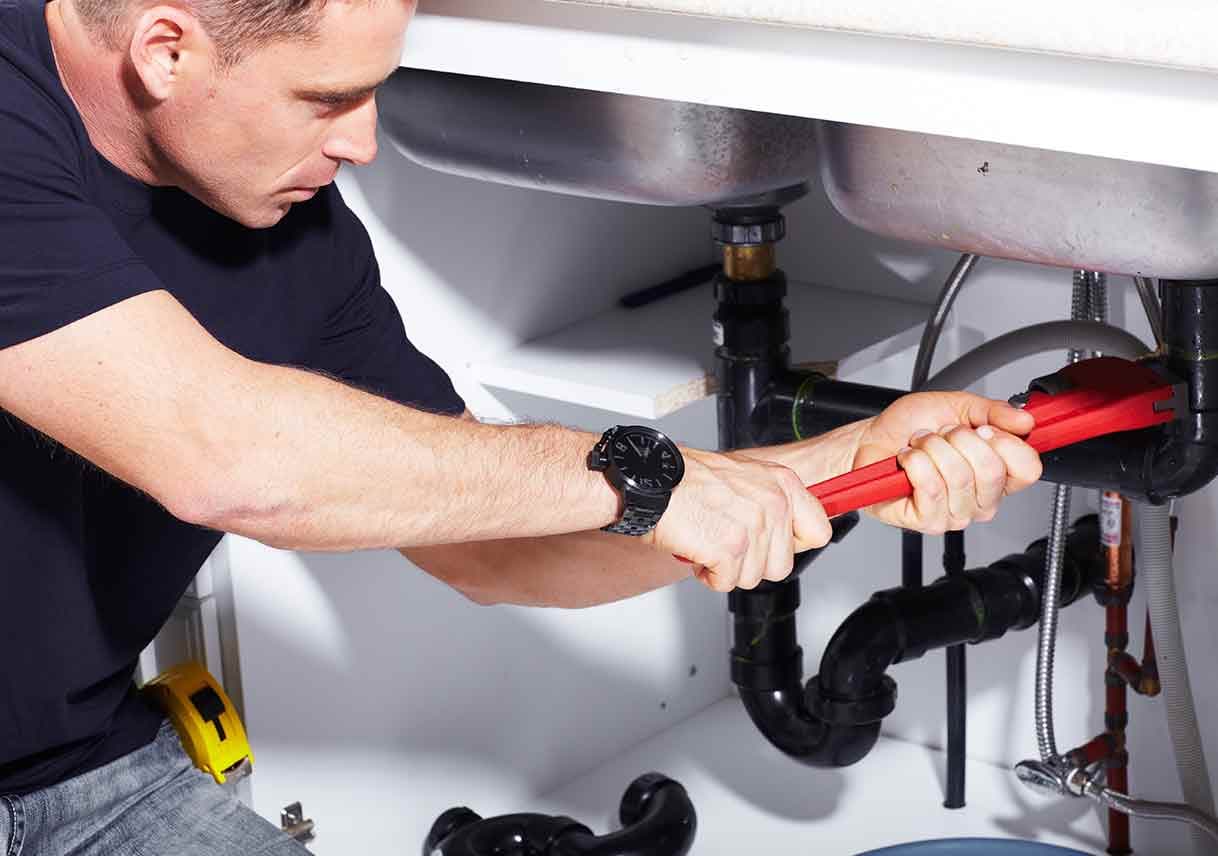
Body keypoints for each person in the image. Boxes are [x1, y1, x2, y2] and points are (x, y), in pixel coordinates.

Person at [0, 0, 1043, 850]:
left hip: (86, 778)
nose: (363, 141)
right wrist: (647, 478)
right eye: (327, 97)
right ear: (165, 50)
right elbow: (223, 456)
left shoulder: (294, 234)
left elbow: (493, 549)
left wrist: (841, 463)